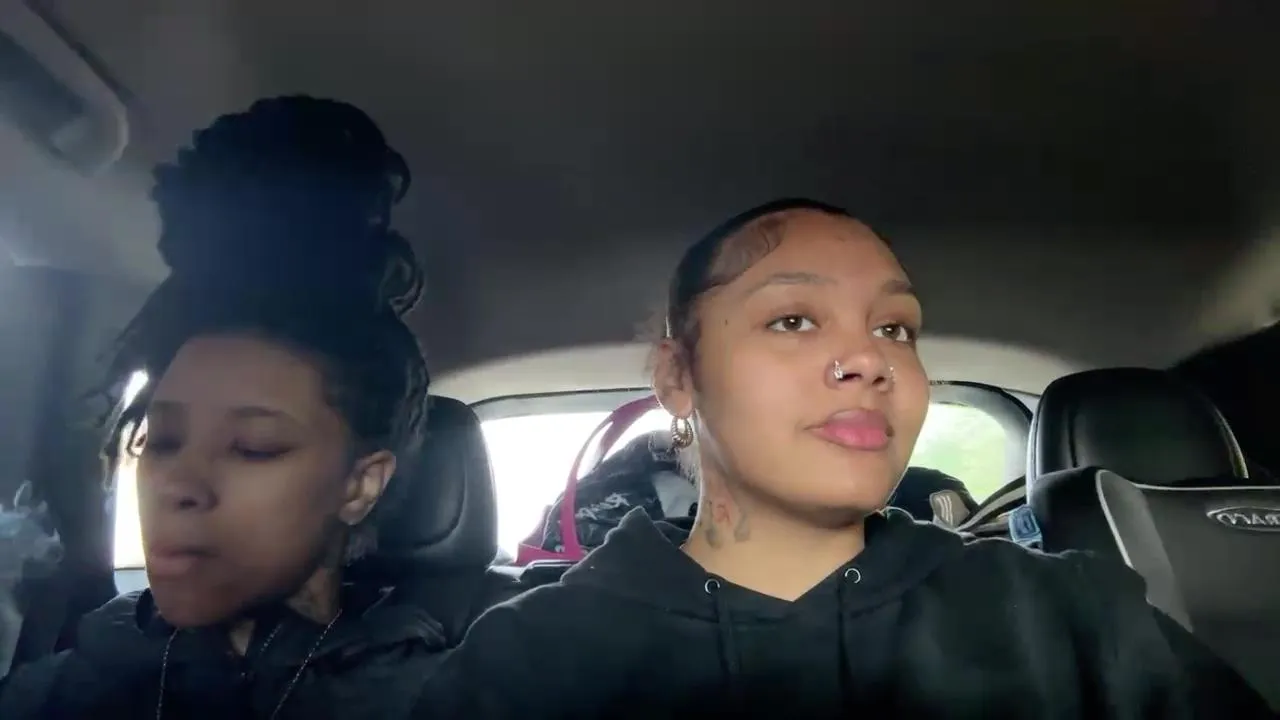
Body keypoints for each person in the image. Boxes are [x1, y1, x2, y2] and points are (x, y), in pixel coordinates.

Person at [415, 198, 1272, 719]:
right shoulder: (528, 659)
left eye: (895, 327)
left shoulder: (1073, 617)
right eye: (793, 320)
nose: (870, 359)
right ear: (678, 378)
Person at [0, 96, 446, 719]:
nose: (178, 486)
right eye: (162, 442)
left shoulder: (437, 699)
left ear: (359, 484)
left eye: (252, 448)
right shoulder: (63, 689)